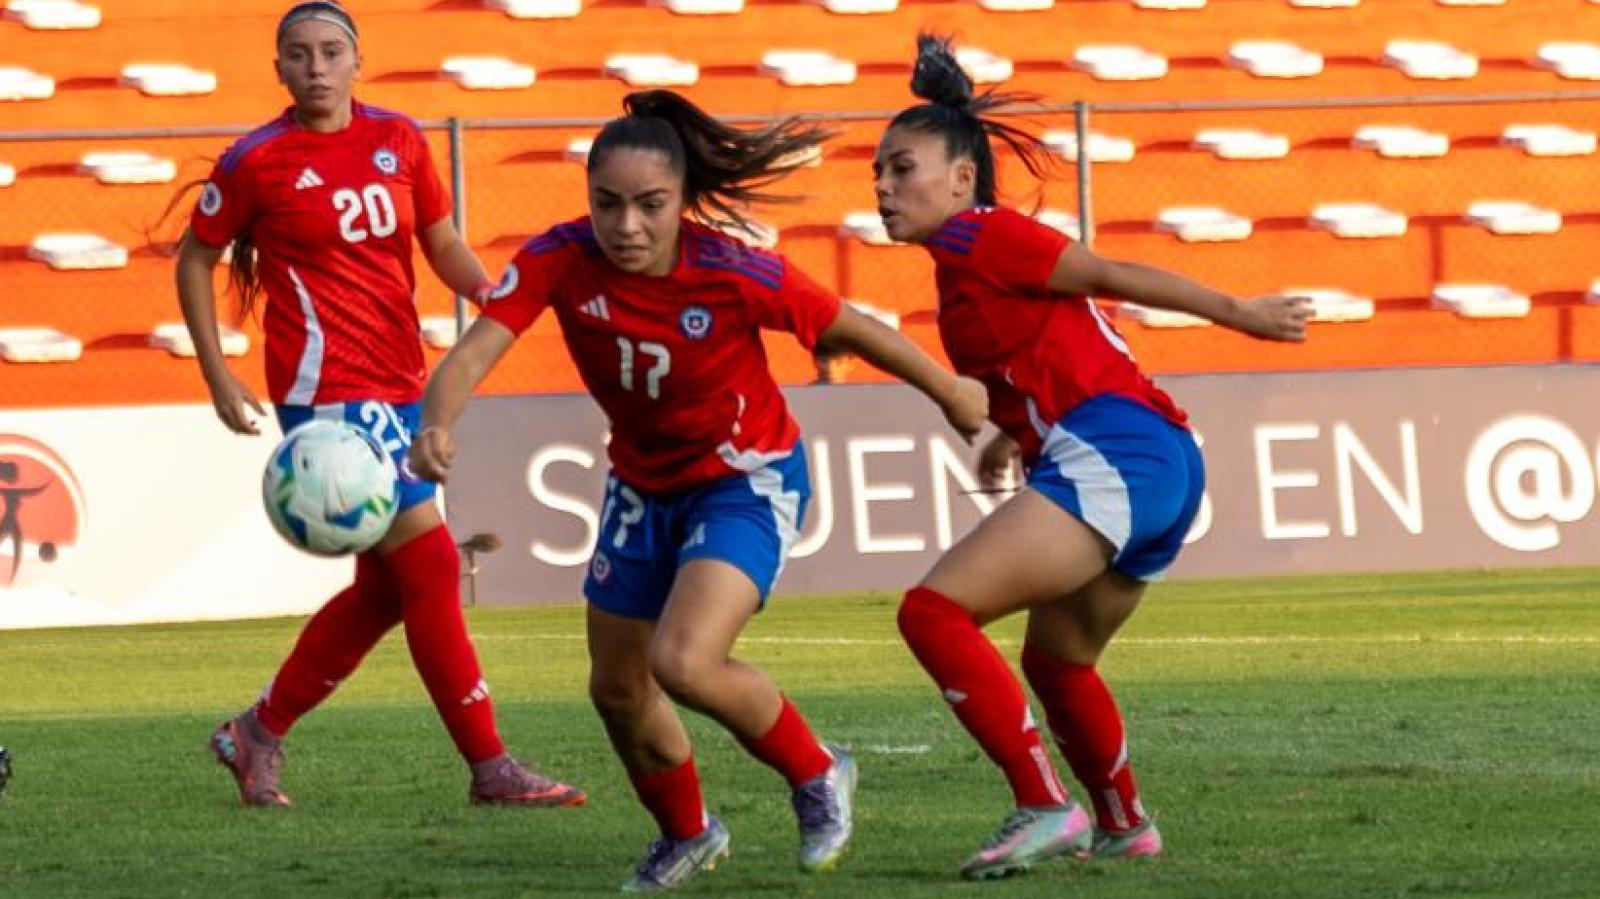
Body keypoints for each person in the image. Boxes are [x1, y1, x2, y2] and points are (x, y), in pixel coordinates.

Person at [409, 89, 989, 892]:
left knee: (682, 658)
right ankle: (688, 831)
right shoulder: (559, 257)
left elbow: (848, 326)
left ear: (682, 202)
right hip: (643, 487)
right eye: (607, 204)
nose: (627, 226)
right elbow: (472, 354)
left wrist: (950, 391)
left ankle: (818, 769)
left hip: (743, 479)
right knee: (616, 687)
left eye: (650, 205)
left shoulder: (731, 268)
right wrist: (437, 425)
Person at [875, 34, 1313, 880]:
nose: (884, 189)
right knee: (1057, 659)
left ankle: (1045, 804)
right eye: (879, 175)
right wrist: (1006, 437)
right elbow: (1035, 364)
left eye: (902, 169)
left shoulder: (980, 235)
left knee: (932, 612)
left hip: (1115, 449)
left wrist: (1239, 311)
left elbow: (1107, 270)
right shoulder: (960, 268)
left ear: (962, 178)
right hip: (1160, 458)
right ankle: (1124, 821)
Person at [173, 1, 583, 810]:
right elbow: (195, 259)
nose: (316, 66)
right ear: (279, 68)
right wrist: (217, 373)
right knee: (428, 561)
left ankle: (256, 731)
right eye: (299, 54)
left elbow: (440, 241)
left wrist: (491, 290)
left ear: (358, 61)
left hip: (402, 382)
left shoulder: (398, 138)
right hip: (325, 393)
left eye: (331, 51)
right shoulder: (257, 159)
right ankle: (490, 764)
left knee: (387, 589)